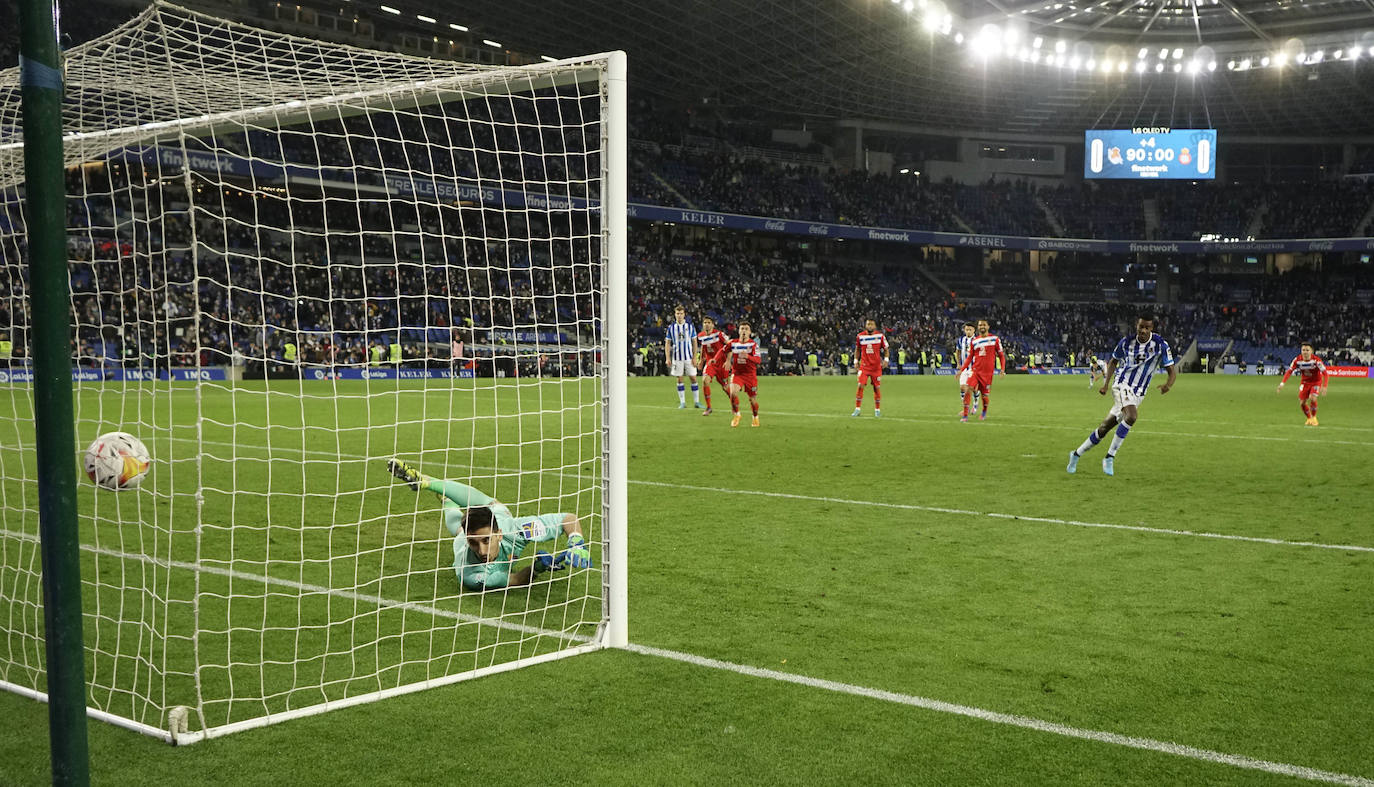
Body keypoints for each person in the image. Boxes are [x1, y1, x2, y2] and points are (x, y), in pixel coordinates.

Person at [385, 459, 591, 590]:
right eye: (474, 543)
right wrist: (536, 569)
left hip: (499, 515)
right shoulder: (472, 573)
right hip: (463, 534)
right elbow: (516, 579)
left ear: (499, 535)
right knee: (457, 525)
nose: (482, 551)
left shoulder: (516, 531)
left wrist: (577, 542)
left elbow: (568, 519)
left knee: (488, 505)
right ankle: (445, 498)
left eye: (486, 540)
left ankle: (430, 484)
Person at [1067, 315, 1177, 477]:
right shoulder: (1126, 342)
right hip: (1122, 384)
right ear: (1136, 326)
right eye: (1141, 327)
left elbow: (1171, 371)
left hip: (1139, 393)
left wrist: (1168, 385)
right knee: (1131, 416)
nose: (1143, 330)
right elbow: (1113, 362)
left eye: (1147, 327)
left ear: (1152, 328)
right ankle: (1109, 457)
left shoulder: (1160, 345)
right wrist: (1106, 384)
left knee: (1104, 428)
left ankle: (1076, 454)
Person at [956, 319, 1005, 422]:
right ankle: (965, 415)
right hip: (975, 371)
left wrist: (1002, 369)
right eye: (980, 325)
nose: (982, 326)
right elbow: (970, 357)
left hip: (987, 373)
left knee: (984, 395)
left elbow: (1001, 355)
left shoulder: (994, 339)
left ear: (988, 326)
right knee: (968, 388)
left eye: (984, 325)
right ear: (978, 327)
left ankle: (984, 412)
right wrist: (961, 369)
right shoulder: (975, 341)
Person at [1277, 343, 1328, 426]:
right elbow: (1289, 371)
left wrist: (1325, 386)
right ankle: (1309, 418)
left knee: (1312, 398)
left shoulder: (1316, 361)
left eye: (1307, 350)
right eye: (1303, 350)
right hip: (1305, 382)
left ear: (1311, 351)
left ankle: (1314, 418)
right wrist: (1282, 383)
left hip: (1316, 382)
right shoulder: (1297, 360)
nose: (1305, 352)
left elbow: (1325, 374)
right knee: (1302, 403)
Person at [724, 320, 761, 428]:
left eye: (746, 329)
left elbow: (758, 360)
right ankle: (737, 415)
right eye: (742, 329)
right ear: (739, 331)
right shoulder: (733, 343)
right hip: (737, 374)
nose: (744, 331)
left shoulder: (753, 345)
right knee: (733, 393)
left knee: (752, 400)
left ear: (750, 332)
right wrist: (723, 360)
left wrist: (748, 356)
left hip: (750, 375)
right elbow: (723, 351)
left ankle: (755, 417)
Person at [664, 305, 701, 409]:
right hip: (677, 358)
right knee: (680, 379)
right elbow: (667, 343)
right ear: (675, 315)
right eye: (677, 313)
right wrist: (668, 358)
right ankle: (682, 403)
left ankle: (697, 402)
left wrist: (695, 357)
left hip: (689, 357)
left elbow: (694, 342)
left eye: (681, 313)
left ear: (684, 314)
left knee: (693, 378)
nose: (679, 315)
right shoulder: (671, 328)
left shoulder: (690, 327)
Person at [851, 318, 888, 417]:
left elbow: (886, 349)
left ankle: (877, 410)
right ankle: (857, 409)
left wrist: (886, 360)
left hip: (876, 367)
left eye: (872, 324)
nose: (870, 326)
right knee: (860, 385)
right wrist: (855, 360)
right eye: (868, 324)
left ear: (875, 326)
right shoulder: (860, 336)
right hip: (864, 367)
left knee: (876, 388)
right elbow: (857, 349)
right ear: (865, 325)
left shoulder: (880, 336)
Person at [696, 316, 731, 416]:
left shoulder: (719, 334)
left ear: (712, 324)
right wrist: (701, 360)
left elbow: (729, 345)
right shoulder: (701, 335)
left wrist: (728, 361)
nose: (706, 324)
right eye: (705, 322)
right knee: (705, 380)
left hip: (721, 363)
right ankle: (709, 407)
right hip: (710, 363)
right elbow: (703, 346)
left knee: (725, 387)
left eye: (708, 322)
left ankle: (734, 403)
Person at [956, 323, 979, 411]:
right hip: (964, 368)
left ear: (974, 330)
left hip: (974, 368)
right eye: (966, 329)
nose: (968, 331)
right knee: (962, 387)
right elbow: (957, 351)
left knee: (972, 388)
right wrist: (958, 363)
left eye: (970, 329)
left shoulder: (977, 340)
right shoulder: (961, 340)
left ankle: (975, 402)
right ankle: (966, 408)